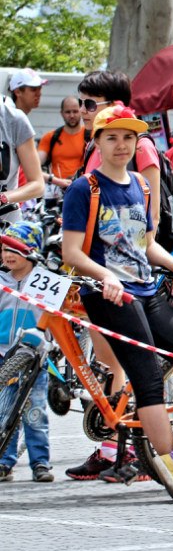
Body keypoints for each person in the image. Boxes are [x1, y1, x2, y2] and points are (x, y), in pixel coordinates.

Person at [61, 105, 173, 503]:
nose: (121, 145)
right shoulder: (85, 189)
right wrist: (107, 277)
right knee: (148, 379)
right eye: (112, 137)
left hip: (147, 290)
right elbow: (71, 252)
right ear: (97, 142)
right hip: (107, 294)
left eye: (129, 138)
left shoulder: (141, 185)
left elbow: (145, 245)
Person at [64, 72, 162, 481]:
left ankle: (133, 452)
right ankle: (110, 447)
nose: (83, 110)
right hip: (96, 273)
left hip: (130, 277)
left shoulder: (140, 152)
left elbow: (147, 224)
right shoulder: (95, 149)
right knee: (107, 359)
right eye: (81, 104)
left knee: (129, 363)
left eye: (91, 104)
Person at [0, 222, 53, 483]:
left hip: (36, 359)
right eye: (5, 249)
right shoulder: (0, 281)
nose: (8, 255)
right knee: (4, 411)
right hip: (3, 356)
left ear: (31, 251)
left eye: (15, 250)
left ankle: (40, 463)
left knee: (35, 412)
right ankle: (4, 462)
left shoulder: (46, 280)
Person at [0, 75, 44, 218]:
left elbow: (37, 184)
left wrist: (4, 198)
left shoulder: (13, 118)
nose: (38, 93)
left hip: (5, 225)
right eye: (33, 89)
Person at [38, 96, 87, 209]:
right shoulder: (50, 138)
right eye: (68, 112)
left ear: (81, 110)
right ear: (61, 113)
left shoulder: (92, 136)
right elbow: (32, 168)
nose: (72, 115)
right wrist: (56, 181)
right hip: (56, 195)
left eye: (75, 111)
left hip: (83, 191)